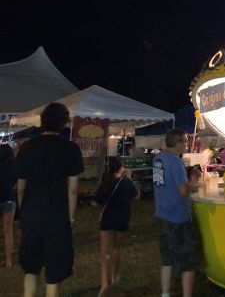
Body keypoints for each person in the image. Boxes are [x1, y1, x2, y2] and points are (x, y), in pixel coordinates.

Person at [15, 102, 84, 297]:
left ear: (42, 121)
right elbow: (73, 188)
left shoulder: (27, 147)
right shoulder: (70, 148)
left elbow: (21, 187)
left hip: (31, 215)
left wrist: (23, 213)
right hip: (57, 217)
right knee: (54, 272)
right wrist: (70, 218)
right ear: (63, 123)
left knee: (30, 268)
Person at [153, 129, 200, 297]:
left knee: (166, 260)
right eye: (185, 142)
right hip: (178, 217)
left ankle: (165, 294)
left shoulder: (158, 158)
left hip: (162, 214)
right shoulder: (175, 161)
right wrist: (193, 181)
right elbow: (182, 190)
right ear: (178, 143)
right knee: (188, 262)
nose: (186, 145)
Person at [94, 156, 139, 296]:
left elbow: (95, 202)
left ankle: (105, 283)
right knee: (116, 247)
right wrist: (129, 177)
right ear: (121, 167)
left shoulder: (105, 183)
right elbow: (137, 195)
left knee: (105, 251)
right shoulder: (126, 182)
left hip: (107, 219)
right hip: (122, 218)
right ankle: (114, 277)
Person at [0, 144, 16, 267]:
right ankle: (9, 260)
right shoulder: (13, 166)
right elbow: (16, 184)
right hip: (9, 200)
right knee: (8, 230)